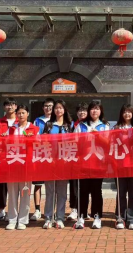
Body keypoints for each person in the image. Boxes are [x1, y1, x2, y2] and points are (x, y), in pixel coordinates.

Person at [74, 101, 110, 230]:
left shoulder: (105, 126)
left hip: (98, 163)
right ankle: (81, 217)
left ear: (101, 111)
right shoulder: (81, 125)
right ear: (89, 111)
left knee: (96, 191)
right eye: (92, 109)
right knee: (83, 191)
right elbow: (75, 142)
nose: (94, 111)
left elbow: (108, 143)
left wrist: (98, 136)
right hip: (84, 163)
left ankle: (97, 216)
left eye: (97, 109)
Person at [4, 105, 38, 230]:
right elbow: (5, 143)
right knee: (12, 193)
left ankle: (23, 220)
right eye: (19, 113)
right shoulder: (11, 129)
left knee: (25, 192)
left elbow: (39, 144)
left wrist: (31, 140)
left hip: (27, 164)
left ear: (27, 114)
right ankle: (12, 219)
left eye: (23, 113)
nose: (21, 115)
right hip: (13, 163)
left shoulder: (34, 129)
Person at [43, 100, 72, 230]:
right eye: (56, 108)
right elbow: (43, 142)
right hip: (50, 162)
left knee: (62, 192)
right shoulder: (49, 125)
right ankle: (48, 218)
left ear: (64, 110)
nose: (58, 110)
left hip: (64, 163)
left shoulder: (69, 126)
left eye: (60, 108)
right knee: (50, 191)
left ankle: (60, 217)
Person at [114, 105, 133, 230]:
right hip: (120, 165)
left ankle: (132, 218)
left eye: (129, 112)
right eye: (125, 112)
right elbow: (111, 144)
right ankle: (120, 217)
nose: (127, 114)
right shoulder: (116, 128)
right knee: (121, 192)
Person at [0, 97, 19, 223]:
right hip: (2, 157)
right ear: (4, 107)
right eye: (7, 105)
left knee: (15, 185)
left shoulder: (20, 121)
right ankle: (2, 210)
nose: (10, 107)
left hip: (16, 157)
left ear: (16, 107)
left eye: (12, 104)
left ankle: (13, 210)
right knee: (2, 185)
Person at [30, 98, 54, 222]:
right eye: (46, 106)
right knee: (38, 184)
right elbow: (33, 136)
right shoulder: (37, 120)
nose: (48, 108)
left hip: (52, 155)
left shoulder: (56, 121)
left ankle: (51, 210)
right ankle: (37, 210)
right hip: (39, 154)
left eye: (50, 106)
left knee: (51, 185)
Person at [68, 102, 89, 221]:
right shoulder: (72, 125)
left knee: (86, 186)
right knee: (74, 185)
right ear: (76, 113)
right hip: (74, 159)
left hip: (87, 159)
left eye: (84, 110)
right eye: (80, 111)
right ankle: (74, 209)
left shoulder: (90, 125)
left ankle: (84, 210)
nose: (82, 113)